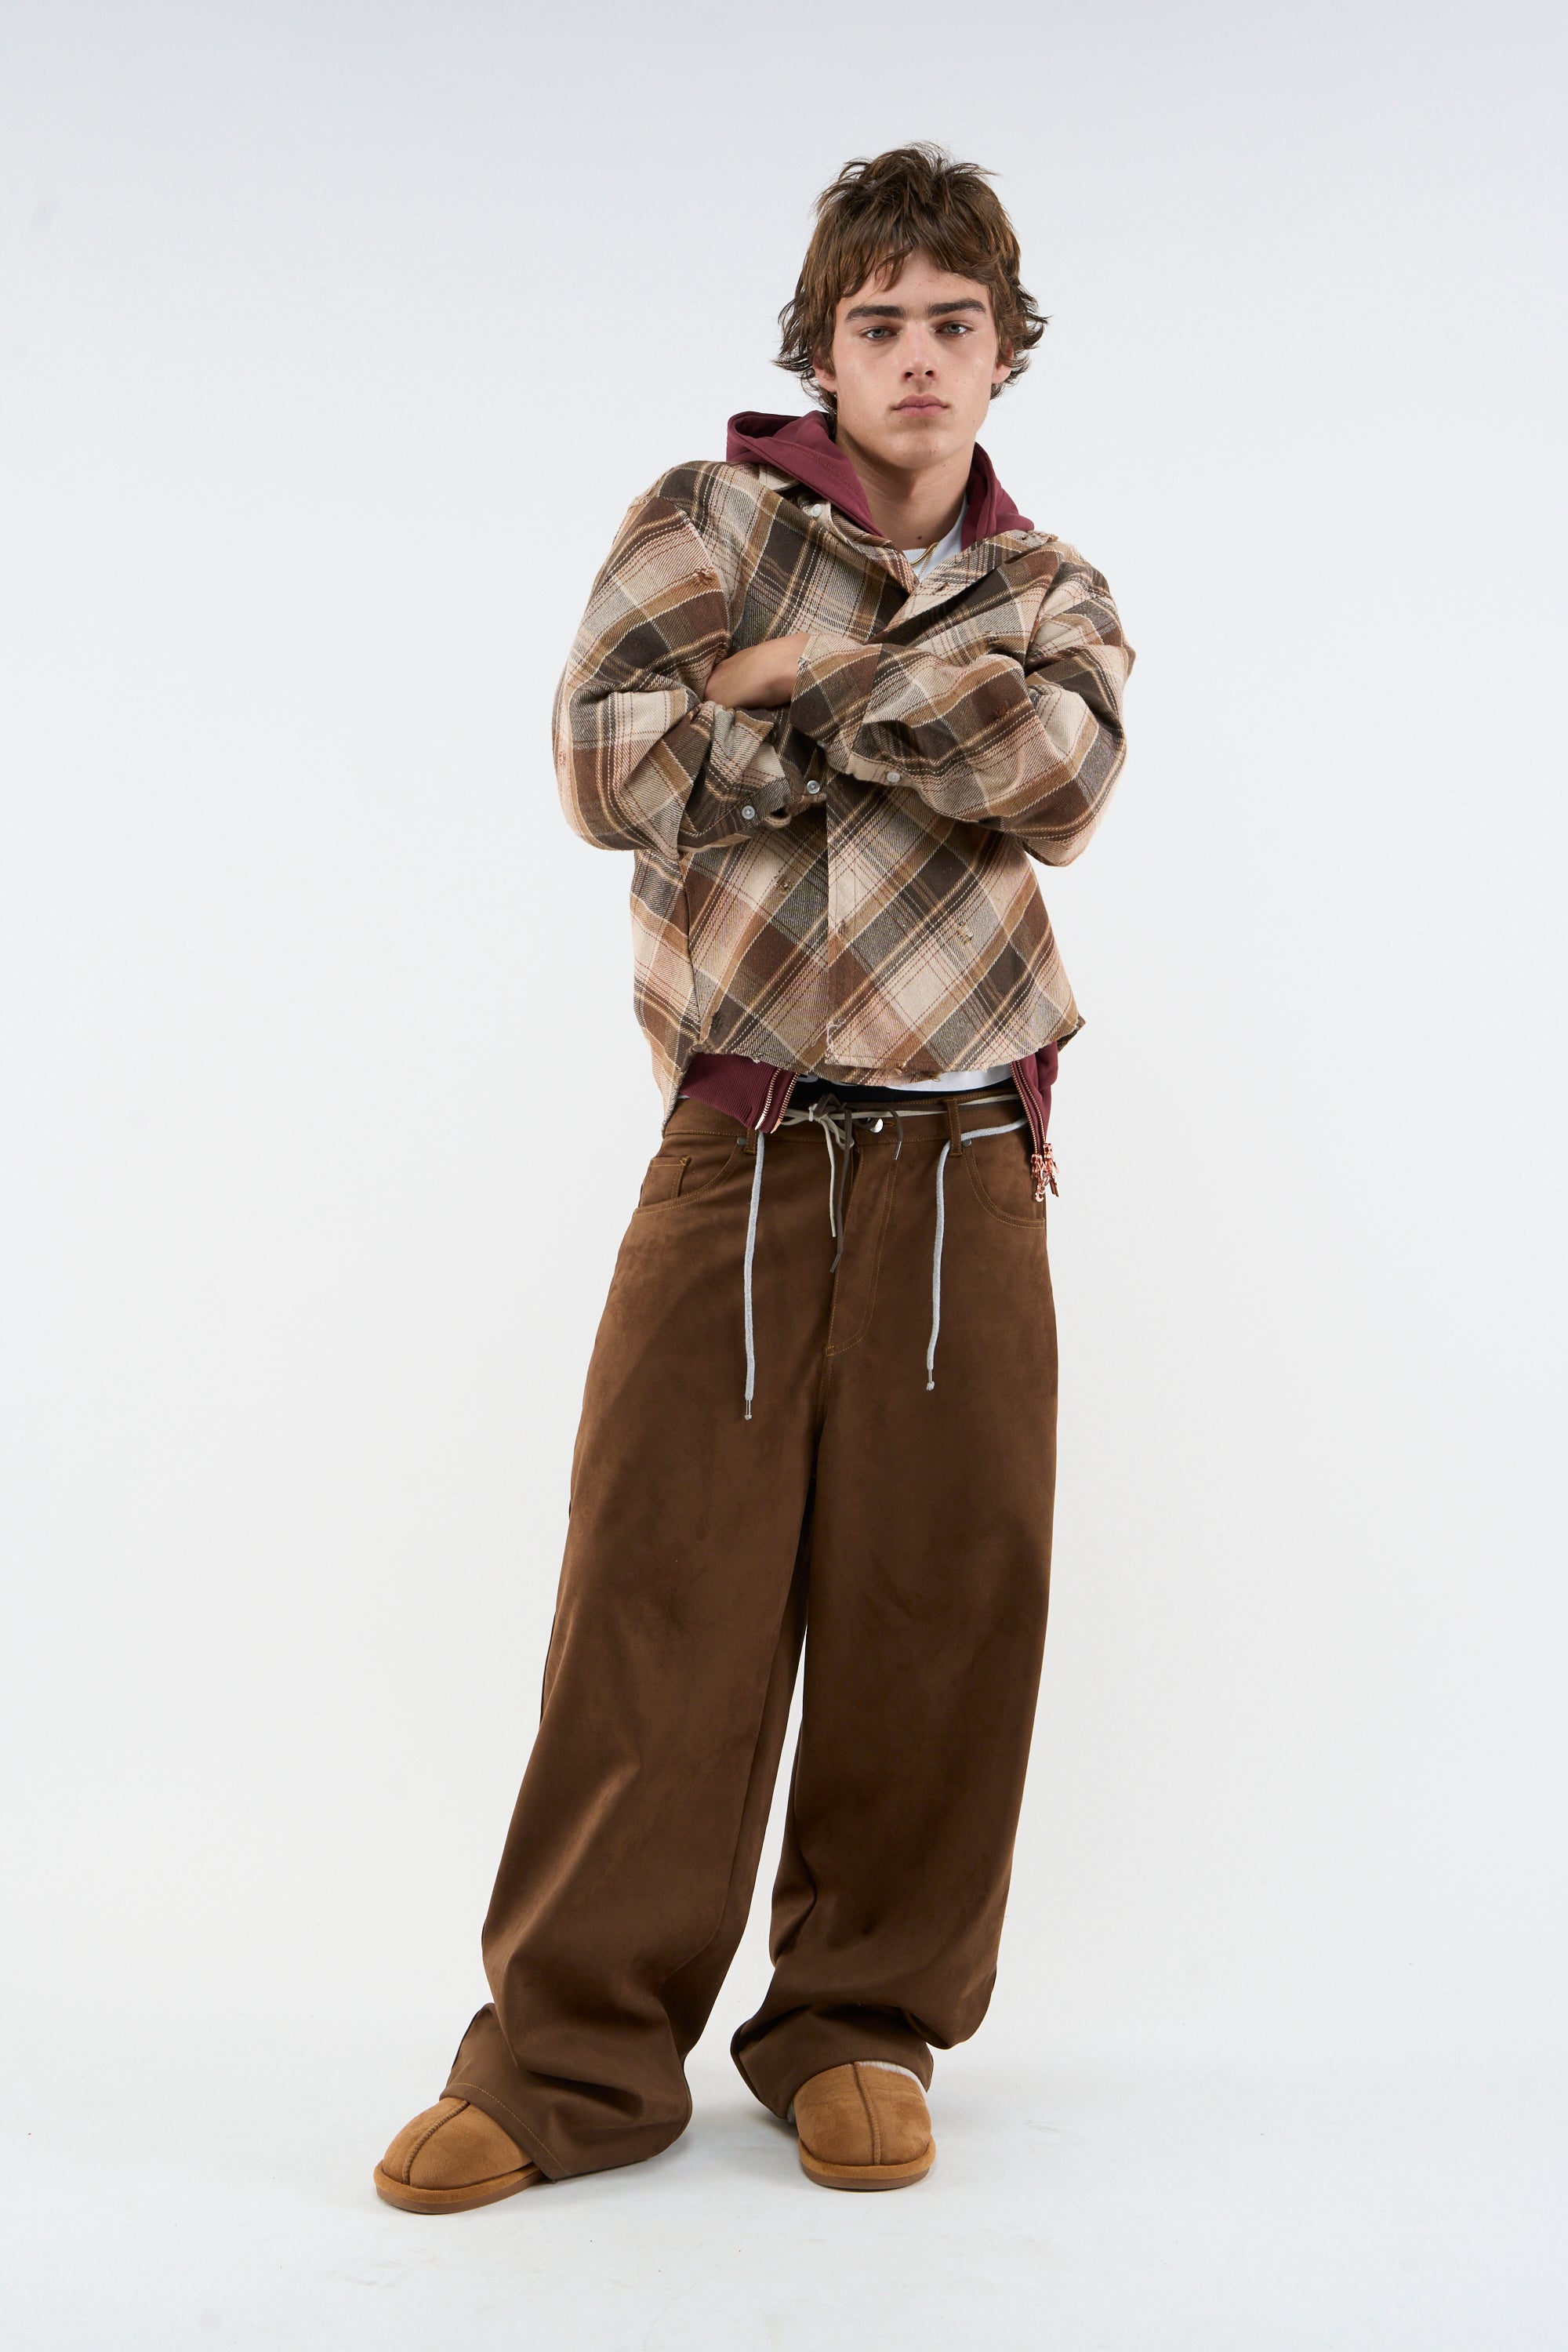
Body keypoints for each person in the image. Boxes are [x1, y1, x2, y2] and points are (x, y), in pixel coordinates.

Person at [374, 141, 1133, 2212]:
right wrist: (923, 709)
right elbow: (602, 762)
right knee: (660, 1590)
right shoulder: (704, 523)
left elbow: (1062, 779)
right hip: (747, 1137)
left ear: (1004, 353)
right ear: (824, 346)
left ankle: (859, 2026)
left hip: (971, 1157)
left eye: (955, 324)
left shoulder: (1055, 585)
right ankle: (569, 2062)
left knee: (942, 1597)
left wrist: (798, 684)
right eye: (880, 323)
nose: (918, 357)